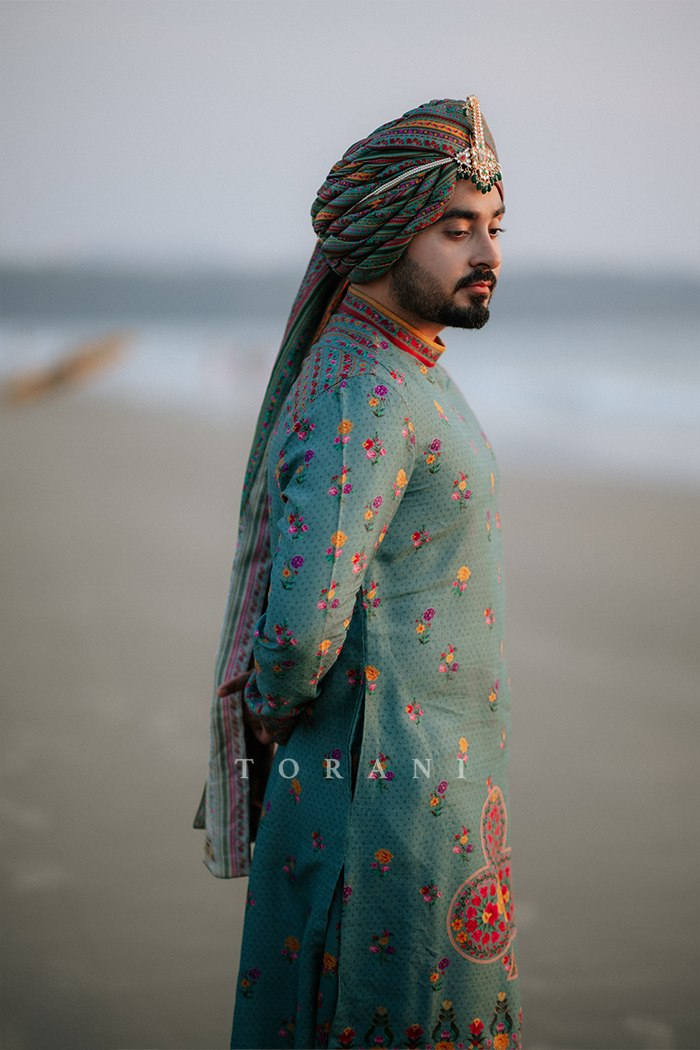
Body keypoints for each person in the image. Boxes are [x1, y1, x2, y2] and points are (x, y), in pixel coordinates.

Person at [195, 96, 522, 1050]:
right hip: (379, 801)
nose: (489, 253)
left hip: (427, 793)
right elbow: (299, 630)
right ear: (383, 234)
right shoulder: (362, 387)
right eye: (456, 229)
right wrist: (276, 713)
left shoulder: (406, 365)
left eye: (495, 227)